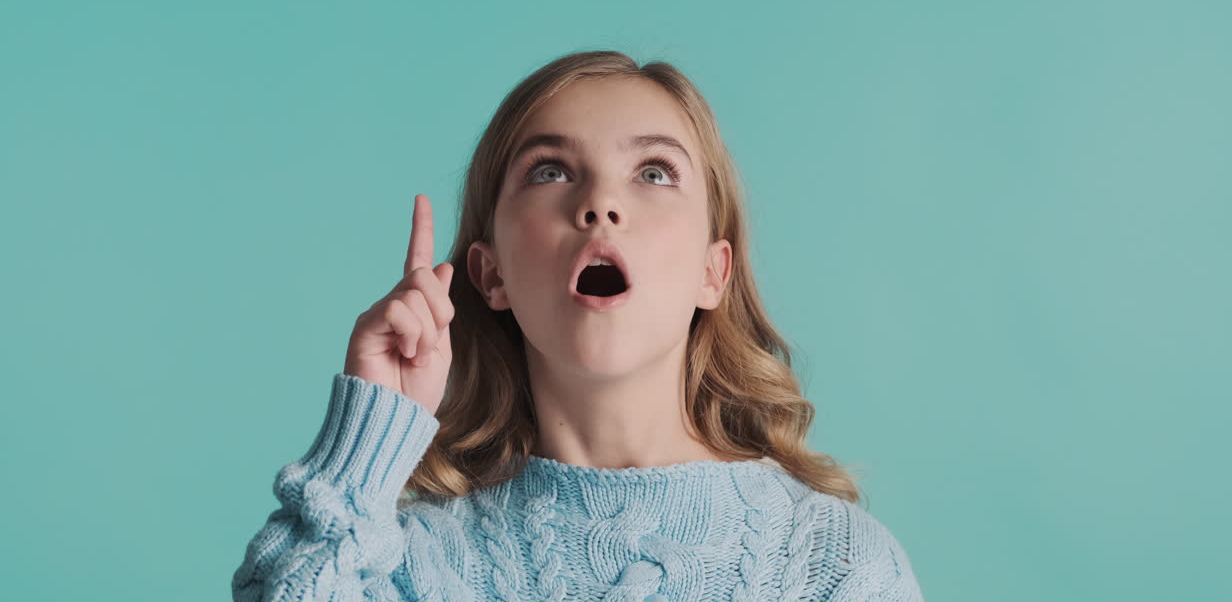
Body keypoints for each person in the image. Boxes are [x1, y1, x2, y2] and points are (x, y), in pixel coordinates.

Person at [231, 51, 924, 601]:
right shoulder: (404, 565)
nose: (599, 204)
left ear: (714, 271)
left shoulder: (834, 565)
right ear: (490, 273)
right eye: (551, 171)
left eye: (653, 172)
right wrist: (366, 444)